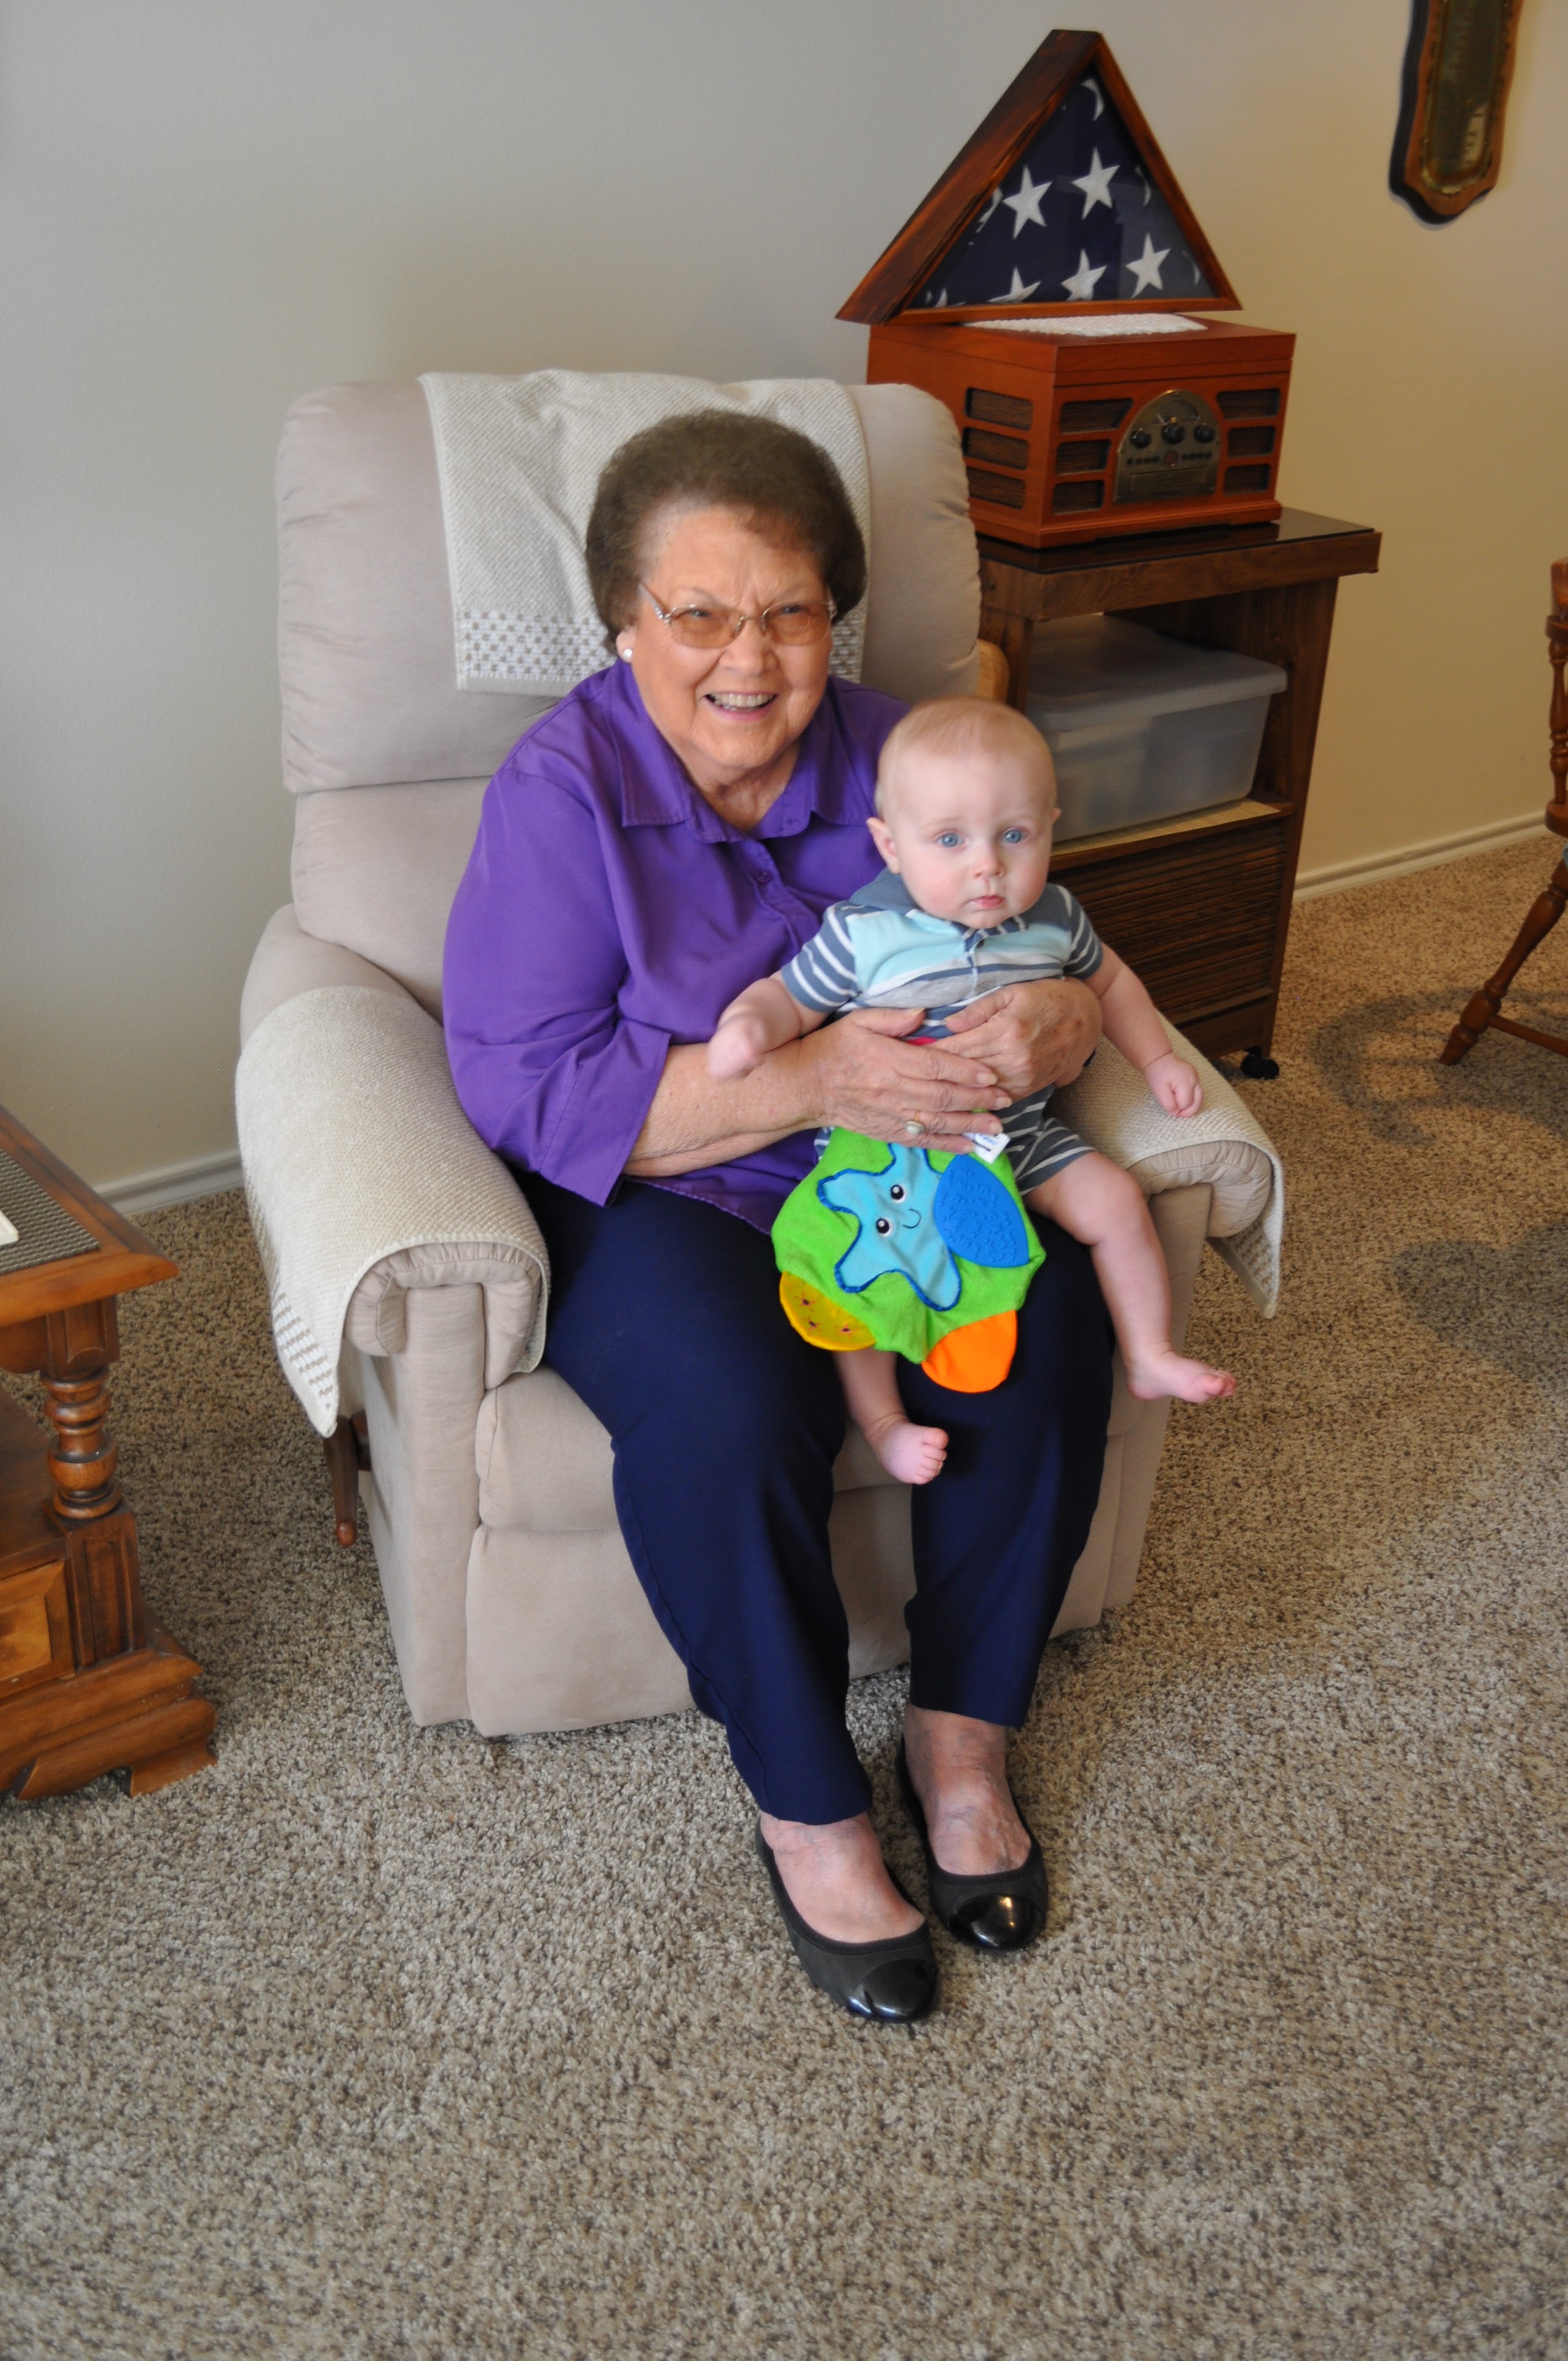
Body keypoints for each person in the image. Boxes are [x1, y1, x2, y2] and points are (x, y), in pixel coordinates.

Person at [443, 409, 1113, 2025]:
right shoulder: (560, 793)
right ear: (623, 623)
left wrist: (1063, 1022)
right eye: (698, 614)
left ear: (836, 618)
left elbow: (1056, 939)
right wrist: (815, 1079)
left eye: (789, 613)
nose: (746, 658)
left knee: (1042, 1320)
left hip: (899, 1177)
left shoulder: (907, 755)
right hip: (662, 1186)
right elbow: (526, 1085)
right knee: (727, 1406)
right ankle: (809, 1804)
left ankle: (959, 1743)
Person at [707, 695, 1234, 1489]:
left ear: (1050, 827)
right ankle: (883, 1421)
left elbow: (1114, 985)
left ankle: (1149, 1352)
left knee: (1117, 1201)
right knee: (861, 1280)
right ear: (890, 846)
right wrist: (748, 1028)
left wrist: (1158, 1059)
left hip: (1020, 1139)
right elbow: (788, 995)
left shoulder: (1056, 918)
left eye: (1014, 835)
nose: (987, 865)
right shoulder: (865, 933)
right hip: (896, 1150)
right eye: (950, 840)